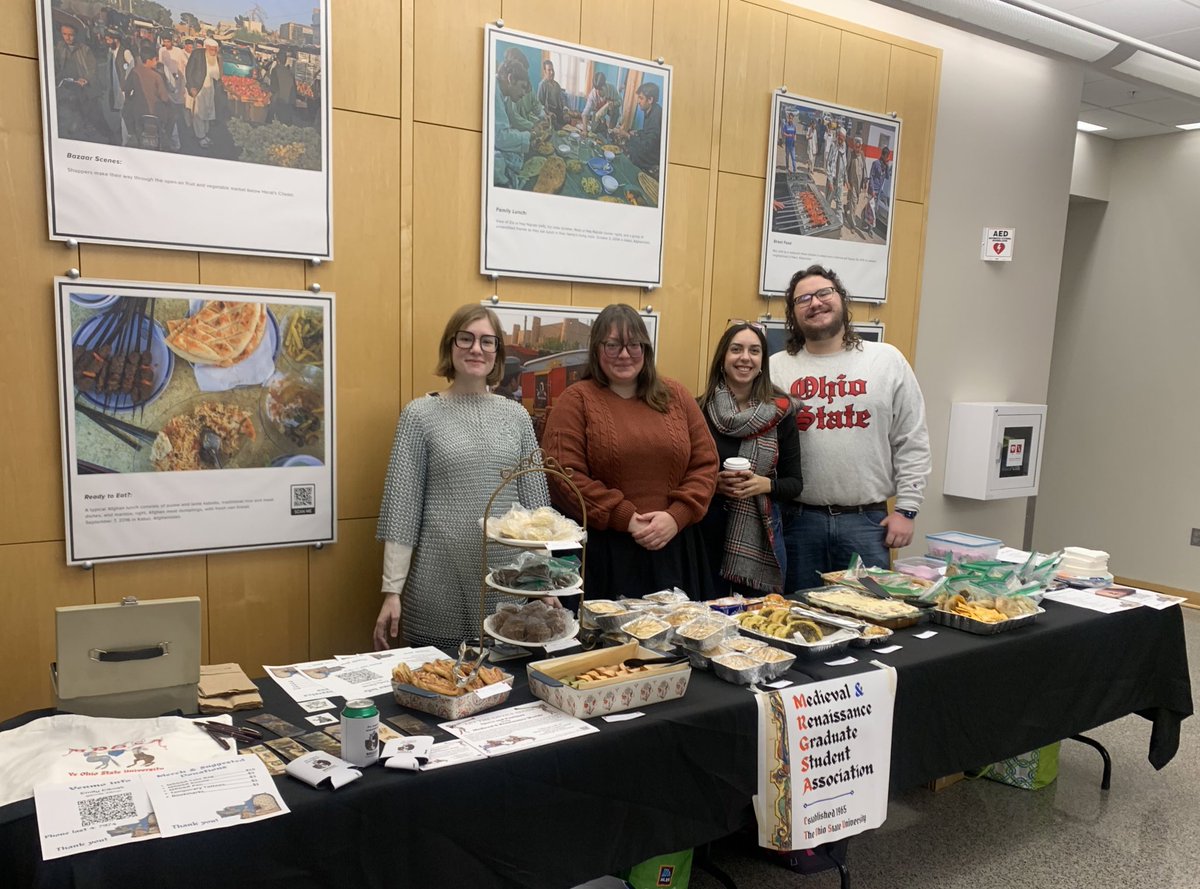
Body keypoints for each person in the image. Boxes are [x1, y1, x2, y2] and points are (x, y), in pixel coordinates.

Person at [373, 305, 550, 652]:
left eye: (487, 341)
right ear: (450, 346)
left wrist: (544, 583)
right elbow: (401, 512)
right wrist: (391, 592)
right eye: (466, 338)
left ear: (497, 351)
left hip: (508, 583)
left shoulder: (516, 417)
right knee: (439, 685)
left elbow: (537, 515)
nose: (476, 349)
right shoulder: (419, 416)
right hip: (439, 580)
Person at [769, 265, 931, 591]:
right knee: (799, 619)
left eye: (824, 293)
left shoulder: (886, 360)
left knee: (871, 620)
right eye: (803, 299)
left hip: (868, 522)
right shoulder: (776, 368)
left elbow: (912, 438)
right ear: (793, 314)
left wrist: (907, 510)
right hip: (799, 522)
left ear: (841, 299)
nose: (815, 303)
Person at [542, 304, 718, 599]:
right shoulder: (576, 401)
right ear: (597, 349)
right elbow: (564, 475)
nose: (624, 355)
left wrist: (676, 516)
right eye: (612, 345)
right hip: (605, 554)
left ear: (646, 350)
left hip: (674, 547)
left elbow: (706, 464)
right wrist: (627, 518)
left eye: (634, 345)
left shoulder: (676, 396)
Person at [698, 323, 802, 596]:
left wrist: (763, 485)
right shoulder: (697, 410)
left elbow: (795, 483)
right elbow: (681, 478)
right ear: (723, 359)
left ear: (761, 363)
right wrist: (714, 484)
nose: (745, 357)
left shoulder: (781, 413)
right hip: (706, 532)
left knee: (759, 620)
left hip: (763, 537)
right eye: (736, 350)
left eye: (754, 351)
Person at [53, 22, 102, 140]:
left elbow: (92, 69)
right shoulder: (58, 48)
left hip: (82, 88)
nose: (68, 37)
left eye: (71, 35)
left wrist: (85, 79)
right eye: (65, 34)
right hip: (64, 87)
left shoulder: (85, 50)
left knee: (88, 117)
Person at [492, 58, 532, 187]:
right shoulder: (493, 90)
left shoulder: (503, 94)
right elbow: (500, 137)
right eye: (522, 87)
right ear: (511, 79)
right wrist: (530, 136)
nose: (523, 93)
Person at [123, 45, 171, 150]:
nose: (156, 62)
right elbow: (164, 97)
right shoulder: (156, 76)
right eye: (155, 60)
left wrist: (131, 99)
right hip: (155, 113)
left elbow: (126, 89)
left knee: (137, 133)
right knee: (170, 120)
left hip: (138, 113)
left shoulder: (134, 71)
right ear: (148, 60)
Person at [613, 81, 661, 175]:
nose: (638, 101)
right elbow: (648, 133)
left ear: (650, 99)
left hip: (655, 154)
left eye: (641, 98)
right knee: (631, 139)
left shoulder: (656, 115)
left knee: (633, 150)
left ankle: (632, 174)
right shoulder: (651, 110)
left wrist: (627, 135)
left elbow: (648, 146)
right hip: (650, 145)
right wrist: (637, 132)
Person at [186, 37, 224, 148]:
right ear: (207, 47)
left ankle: (204, 133)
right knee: (198, 112)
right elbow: (189, 70)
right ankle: (200, 136)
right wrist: (191, 86)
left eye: (215, 49)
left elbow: (218, 75)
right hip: (199, 86)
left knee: (207, 111)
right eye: (212, 49)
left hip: (210, 87)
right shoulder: (197, 54)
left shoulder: (216, 57)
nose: (214, 52)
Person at [158, 34, 187, 150]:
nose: (166, 44)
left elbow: (184, 62)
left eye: (168, 42)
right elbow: (160, 64)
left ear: (172, 42)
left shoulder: (178, 51)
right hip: (164, 77)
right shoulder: (161, 50)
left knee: (176, 98)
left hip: (176, 76)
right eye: (164, 41)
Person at [581, 71, 621, 138]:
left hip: (610, 109)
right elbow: (585, 113)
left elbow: (620, 101)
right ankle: (603, 125)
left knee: (615, 111)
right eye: (596, 89)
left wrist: (613, 103)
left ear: (605, 84)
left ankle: (610, 130)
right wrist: (584, 130)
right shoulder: (593, 95)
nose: (598, 92)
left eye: (600, 89)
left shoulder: (612, 89)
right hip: (598, 111)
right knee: (594, 130)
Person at [845, 136, 867, 235]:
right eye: (856, 147)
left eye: (859, 147)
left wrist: (865, 182)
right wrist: (847, 182)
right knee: (854, 204)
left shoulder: (862, 155)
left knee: (854, 202)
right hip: (853, 184)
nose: (857, 149)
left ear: (861, 147)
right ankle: (852, 225)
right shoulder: (851, 154)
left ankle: (846, 208)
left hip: (859, 186)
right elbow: (847, 169)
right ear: (854, 146)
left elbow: (864, 169)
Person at [536, 59, 567, 130]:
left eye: (552, 70)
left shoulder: (557, 85)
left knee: (567, 123)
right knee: (556, 129)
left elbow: (562, 101)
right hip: (549, 113)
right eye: (549, 70)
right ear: (545, 71)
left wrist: (565, 112)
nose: (552, 72)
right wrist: (548, 113)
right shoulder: (542, 85)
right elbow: (539, 104)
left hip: (559, 112)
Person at [269, 48, 297, 126]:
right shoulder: (290, 73)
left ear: (277, 59)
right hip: (289, 103)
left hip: (280, 102)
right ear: (285, 60)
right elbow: (294, 89)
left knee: (277, 126)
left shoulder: (275, 70)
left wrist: (272, 105)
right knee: (286, 126)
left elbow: (274, 89)